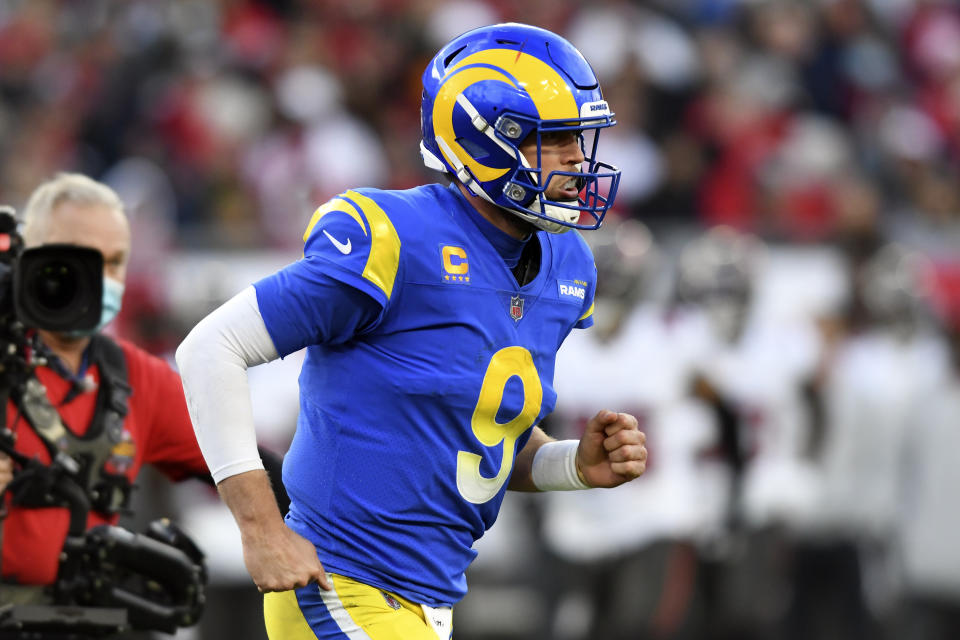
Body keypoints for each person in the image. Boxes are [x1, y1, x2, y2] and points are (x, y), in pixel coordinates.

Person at [176, 22, 648, 640]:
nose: (577, 160)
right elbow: (211, 348)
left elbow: (478, 438)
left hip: (427, 600)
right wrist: (262, 528)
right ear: (487, 141)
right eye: (555, 139)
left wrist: (572, 465)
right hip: (341, 580)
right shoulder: (394, 237)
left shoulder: (566, 265)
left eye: (581, 139)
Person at [0, 173, 285, 624]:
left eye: (114, 261)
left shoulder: (136, 378)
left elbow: (252, 466)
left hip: (85, 623)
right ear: (27, 259)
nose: (100, 277)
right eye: (81, 257)